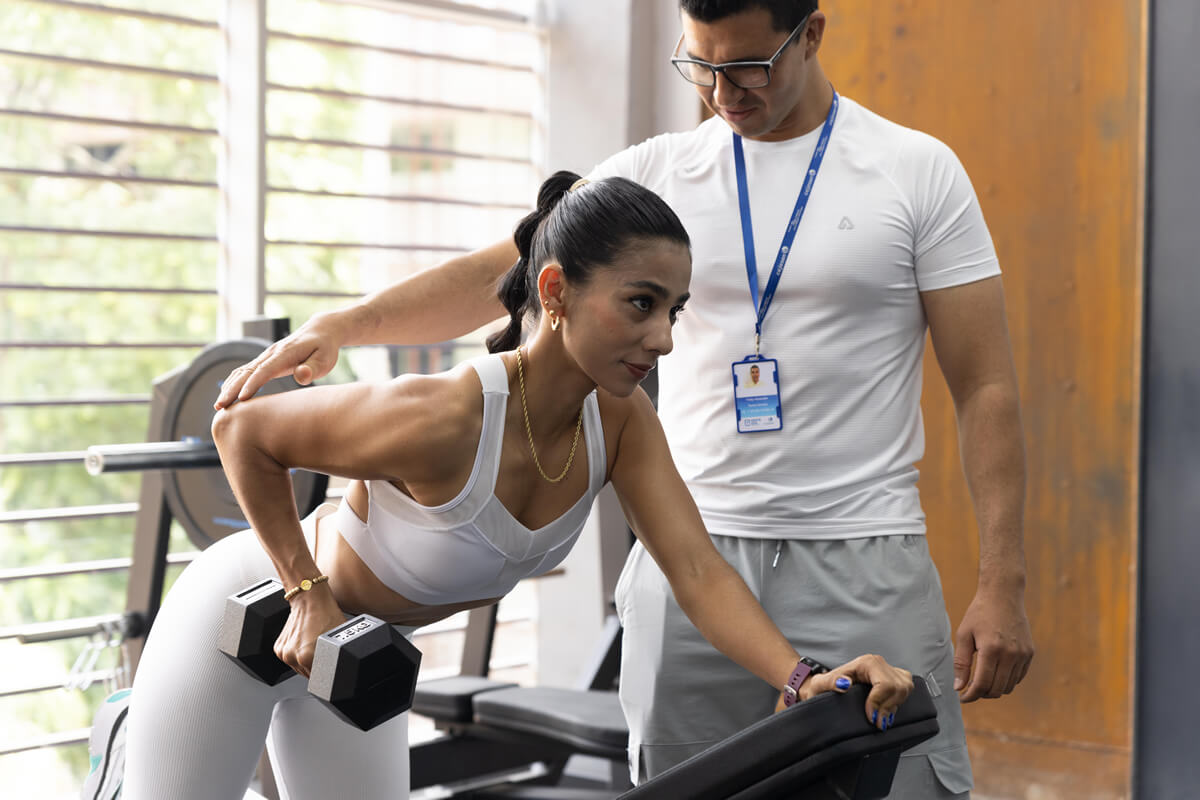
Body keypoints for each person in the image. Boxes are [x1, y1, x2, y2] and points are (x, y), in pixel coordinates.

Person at [214, 2, 1035, 796]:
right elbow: (499, 272)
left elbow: (987, 387)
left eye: (747, 65)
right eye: (700, 65)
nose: (722, 93)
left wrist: (1003, 581)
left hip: (865, 554)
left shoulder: (915, 170)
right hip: (694, 552)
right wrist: (344, 325)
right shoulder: (658, 172)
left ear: (811, 34)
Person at [117, 172, 912, 800]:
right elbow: (243, 431)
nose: (663, 338)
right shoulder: (450, 414)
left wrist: (803, 679)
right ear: (558, 291)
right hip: (244, 622)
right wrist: (305, 592)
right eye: (641, 304)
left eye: (674, 310)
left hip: (356, 659)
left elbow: (697, 571)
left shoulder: (621, 422)